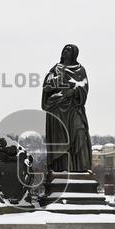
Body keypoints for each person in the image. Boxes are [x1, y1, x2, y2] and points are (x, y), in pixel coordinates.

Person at [42, 44, 92, 173]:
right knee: (61, 140)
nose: (65, 51)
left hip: (74, 108)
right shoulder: (55, 69)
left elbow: (84, 87)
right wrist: (52, 86)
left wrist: (74, 91)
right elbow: (47, 86)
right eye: (64, 49)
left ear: (74, 54)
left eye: (68, 50)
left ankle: (81, 169)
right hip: (58, 108)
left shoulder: (80, 70)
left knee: (80, 132)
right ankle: (63, 169)